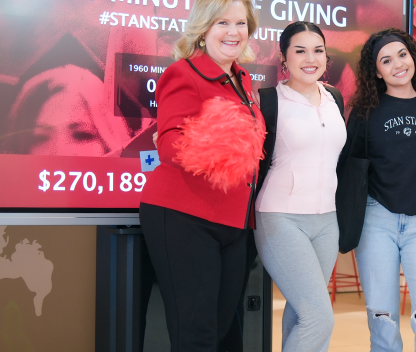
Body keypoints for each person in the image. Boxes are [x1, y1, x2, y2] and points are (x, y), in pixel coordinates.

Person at [138, 0, 264, 350]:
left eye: (241, 23)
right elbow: (169, 145)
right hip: (184, 217)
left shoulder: (242, 79)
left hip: (235, 223)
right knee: (197, 336)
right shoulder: (184, 73)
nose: (233, 32)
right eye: (223, 22)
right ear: (203, 28)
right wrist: (226, 148)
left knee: (222, 330)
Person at [337, 28, 416, 352]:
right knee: (382, 317)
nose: (397, 64)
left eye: (402, 54)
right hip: (377, 221)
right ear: (376, 71)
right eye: (386, 60)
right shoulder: (364, 112)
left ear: (413, 58)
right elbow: (348, 166)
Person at [253, 21, 347, 352]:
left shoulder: (334, 98)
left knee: (301, 313)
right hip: (280, 218)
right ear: (284, 58)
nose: (311, 58)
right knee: (319, 318)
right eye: (300, 50)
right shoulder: (269, 101)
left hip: (327, 221)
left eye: (318, 50)